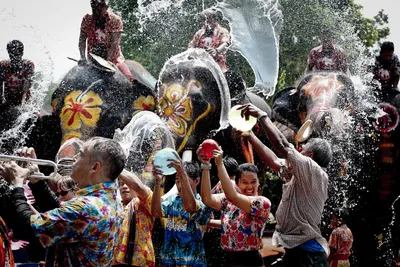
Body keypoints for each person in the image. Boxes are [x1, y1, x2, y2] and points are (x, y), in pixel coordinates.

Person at [0, 137, 126, 266]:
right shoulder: (112, 198)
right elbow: (62, 217)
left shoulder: (87, 208)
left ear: (94, 167)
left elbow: (29, 228)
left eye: (81, 154)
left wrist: (17, 184)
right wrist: (36, 180)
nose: (74, 157)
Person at [238, 103, 333, 267]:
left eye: (302, 150)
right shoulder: (298, 173)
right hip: (297, 251)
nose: (299, 150)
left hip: (309, 256)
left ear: (309, 155)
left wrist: (262, 116)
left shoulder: (314, 171)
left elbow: (282, 146)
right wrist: (250, 135)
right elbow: (274, 160)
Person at [199, 144, 271, 267]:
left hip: (250, 261)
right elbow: (207, 199)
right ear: (237, 183)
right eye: (244, 182)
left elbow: (233, 197)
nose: (249, 187)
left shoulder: (262, 203)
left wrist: (220, 164)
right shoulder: (228, 200)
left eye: (253, 182)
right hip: (227, 258)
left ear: (259, 183)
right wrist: (205, 166)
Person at [151, 155, 212, 267]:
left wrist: (182, 172)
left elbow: (190, 207)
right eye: (177, 180)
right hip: (168, 262)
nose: (179, 185)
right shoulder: (172, 201)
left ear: (197, 181)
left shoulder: (203, 203)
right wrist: (157, 182)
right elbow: (155, 212)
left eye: (183, 180)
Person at [79, 0, 134, 81]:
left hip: (114, 60)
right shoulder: (87, 20)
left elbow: (114, 44)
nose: (96, 12)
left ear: (106, 7)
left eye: (99, 9)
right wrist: (83, 57)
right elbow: (82, 40)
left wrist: (108, 61)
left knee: (128, 78)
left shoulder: (115, 20)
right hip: (93, 60)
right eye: (94, 8)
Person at [113, 170, 155, 267]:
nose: (124, 186)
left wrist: (115, 165)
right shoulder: (117, 207)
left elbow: (139, 187)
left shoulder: (144, 203)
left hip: (139, 262)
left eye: (128, 183)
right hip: (117, 262)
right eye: (121, 184)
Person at [188, 8, 231, 73]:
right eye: (205, 19)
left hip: (218, 67)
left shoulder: (222, 31)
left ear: (214, 18)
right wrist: (192, 52)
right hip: (200, 65)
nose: (207, 21)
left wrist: (216, 50)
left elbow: (225, 43)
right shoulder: (199, 33)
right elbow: (191, 45)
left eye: (209, 18)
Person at [0, 40, 35, 108]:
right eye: (11, 55)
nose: (14, 58)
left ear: (22, 53)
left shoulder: (28, 65)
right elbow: (0, 87)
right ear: (8, 53)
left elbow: (26, 87)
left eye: (16, 55)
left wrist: (22, 106)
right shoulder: (3, 66)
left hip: (25, 102)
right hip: (8, 101)